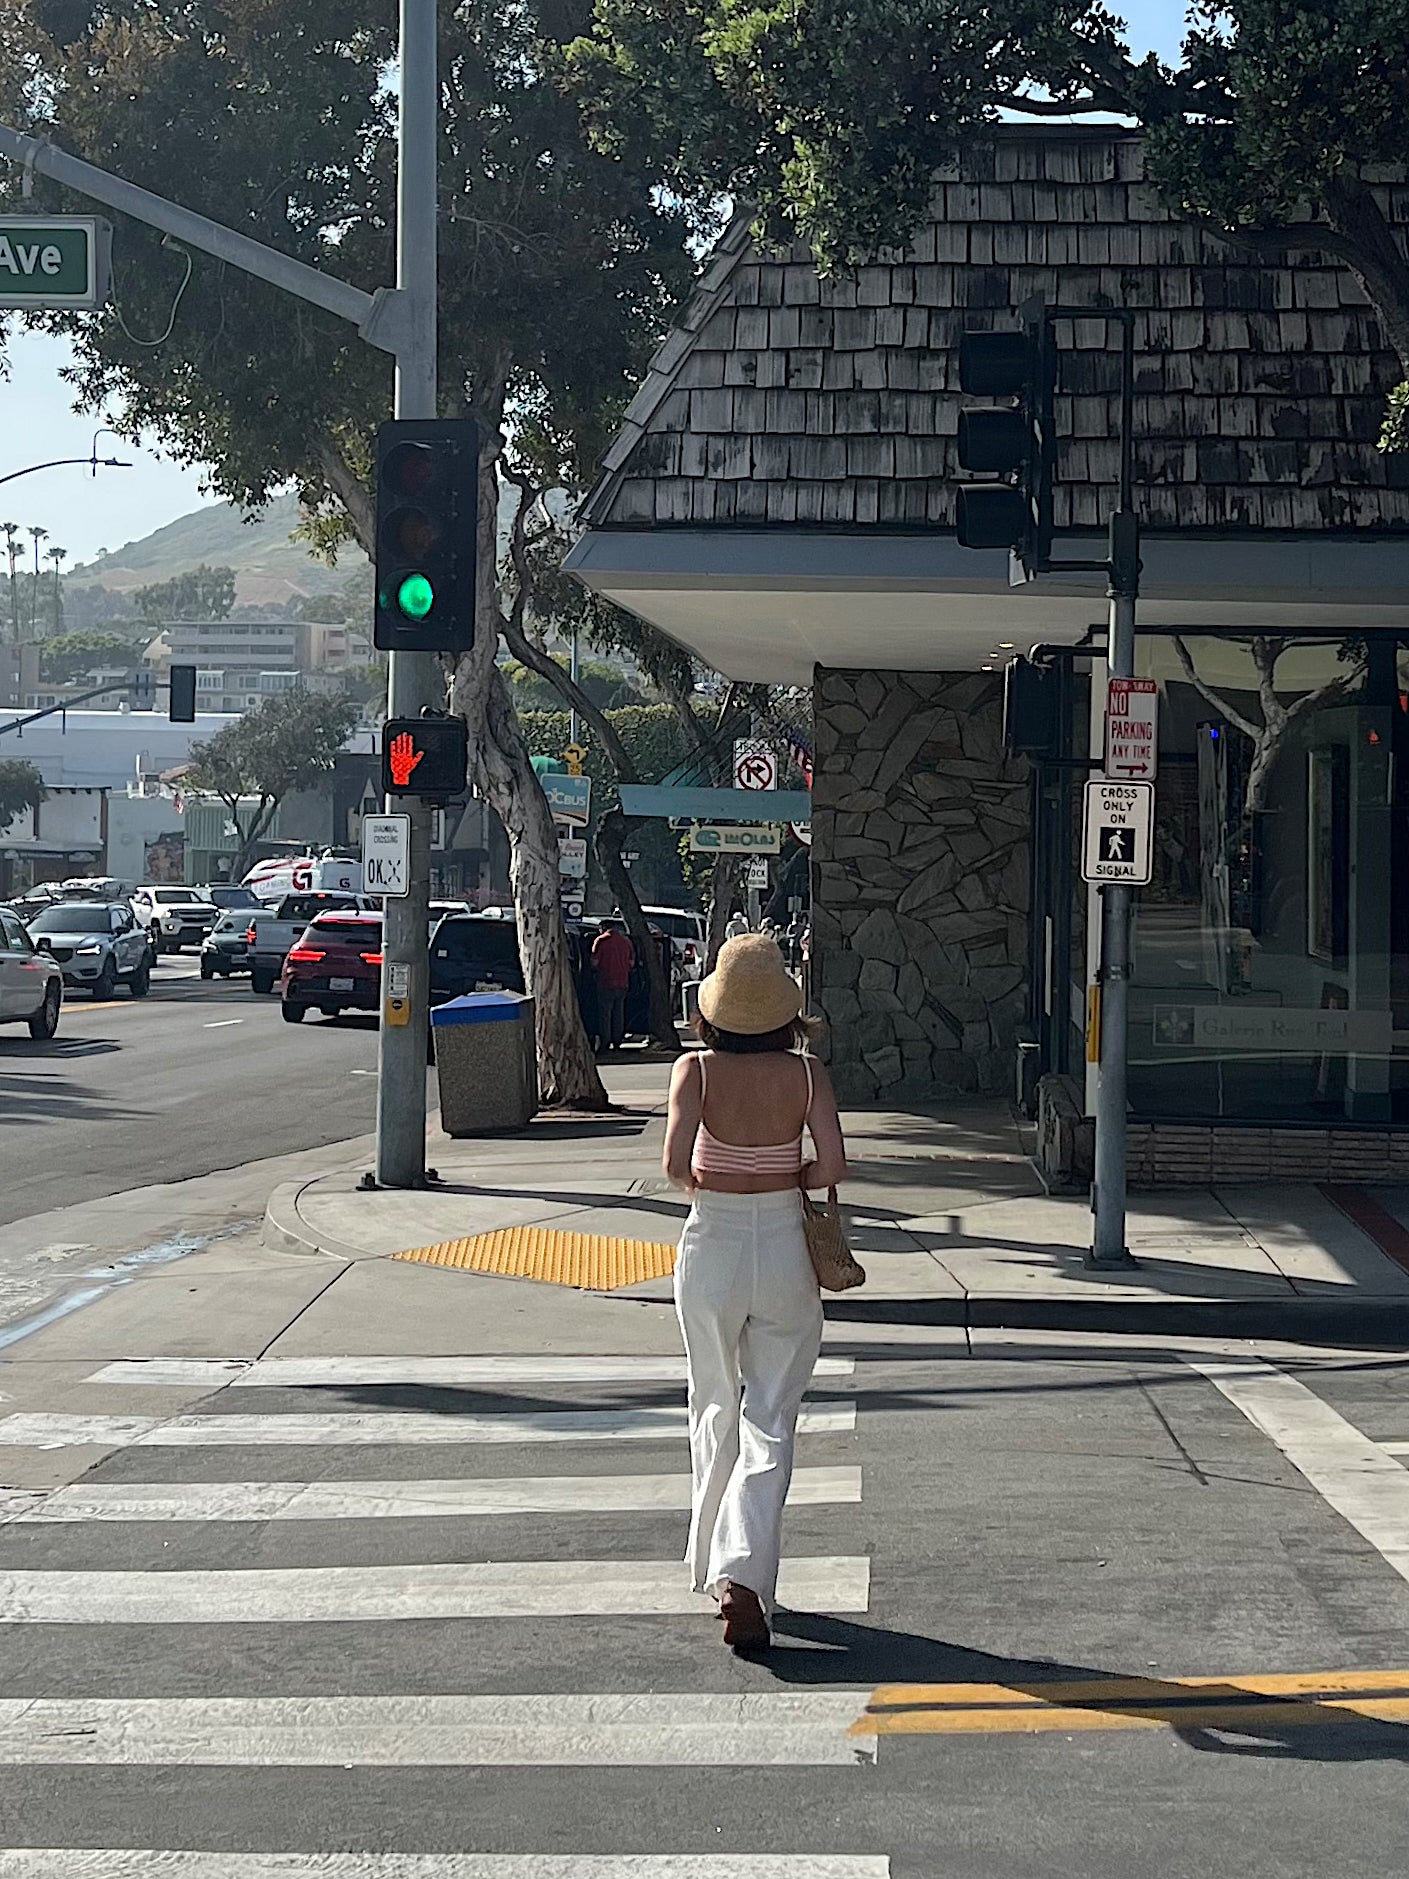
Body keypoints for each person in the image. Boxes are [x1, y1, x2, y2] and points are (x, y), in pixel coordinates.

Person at [663, 933, 848, 1653]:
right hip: (782, 1246)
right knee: (770, 1414)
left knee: (712, 1398)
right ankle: (743, 1568)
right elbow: (831, 1162)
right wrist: (784, 1177)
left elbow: (676, 1164)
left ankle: (714, 1566)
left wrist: (721, 1178)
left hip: (711, 1243)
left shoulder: (694, 1070)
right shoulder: (807, 1075)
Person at [590, 919, 635, 1053]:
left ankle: (605, 1041)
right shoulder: (626, 942)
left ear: (603, 927)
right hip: (623, 982)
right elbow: (631, 963)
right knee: (618, 1013)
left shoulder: (601, 941)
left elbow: (594, 962)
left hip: (606, 982)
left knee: (605, 1014)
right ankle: (617, 1041)